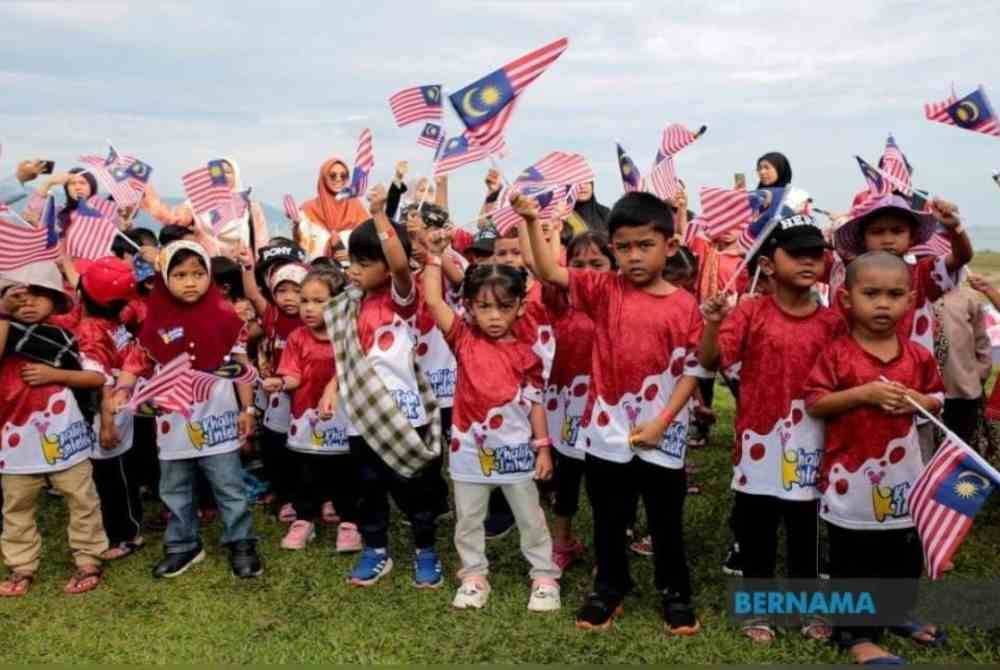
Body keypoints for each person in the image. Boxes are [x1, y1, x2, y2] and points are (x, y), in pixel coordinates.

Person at [519, 191, 706, 635]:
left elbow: (694, 368)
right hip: (607, 431)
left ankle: (675, 592)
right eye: (623, 247)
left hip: (664, 430)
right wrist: (530, 221)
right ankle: (609, 587)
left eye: (645, 245)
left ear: (670, 246)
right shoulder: (602, 289)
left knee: (664, 517)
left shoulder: (684, 305)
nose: (634, 256)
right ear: (612, 250)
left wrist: (664, 420)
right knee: (608, 514)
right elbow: (547, 270)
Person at [700, 214, 845, 644]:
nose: (808, 261)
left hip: (814, 443)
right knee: (757, 528)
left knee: (805, 529)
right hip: (758, 444)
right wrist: (711, 323)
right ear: (767, 263)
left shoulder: (833, 322)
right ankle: (757, 608)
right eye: (796, 253)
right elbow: (710, 361)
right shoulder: (749, 313)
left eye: (815, 254)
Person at [805, 251, 946, 665]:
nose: (883, 303)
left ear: (910, 299)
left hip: (905, 480)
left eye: (894, 294)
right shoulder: (837, 354)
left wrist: (921, 400)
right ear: (847, 299)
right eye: (871, 294)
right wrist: (863, 394)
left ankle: (897, 611)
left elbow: (937, 397)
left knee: (903, 554)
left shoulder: (917, 356)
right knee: (854, 560)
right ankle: (855, 635)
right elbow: (816, 402)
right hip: (851, 482)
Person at [422, 241, 561, 611]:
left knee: (530, 516)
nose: (494, 316)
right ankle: (472, 573)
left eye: (504, 306)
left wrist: (543, 447)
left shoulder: (527, 352)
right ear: (468, 307)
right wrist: (434, 259)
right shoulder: (463, 339)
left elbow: (534, 402)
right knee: (468, 518)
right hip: (468, 451)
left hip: (516, 453)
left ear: (520, 307)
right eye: (483, 307)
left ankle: (544, 575)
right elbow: (434, 302)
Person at [112, 241, 262, 579]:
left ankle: (241, 542)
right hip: (172, 423)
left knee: (229, 485)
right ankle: (183, 545)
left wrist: (248, 409)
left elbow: (241, 365)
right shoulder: (155, 322)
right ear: (165, 279)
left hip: (219, 420)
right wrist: (122, 389)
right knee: (174, 489)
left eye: (198, 273)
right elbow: (135, 362)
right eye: (179, 275)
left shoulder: (226, 317)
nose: (190, 282)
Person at [326, 186, 443, 589]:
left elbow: (398, 263)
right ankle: (375, 548)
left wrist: (379, 215)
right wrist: (330, 391)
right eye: (351, 261)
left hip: (402, 413)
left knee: (412, 487)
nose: (354, 270)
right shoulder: (350, 303)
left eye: (364, 262)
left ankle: (425, 548)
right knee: (367, 487)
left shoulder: (401, 299)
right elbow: (344, 359)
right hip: (360, 414)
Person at [0, 262, 108, 596]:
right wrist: (4, 314)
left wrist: (55, 375)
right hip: (14, 440)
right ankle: (21, 566)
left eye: (37, 296)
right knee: (16, 507)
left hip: (66, 434)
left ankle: (89, 558)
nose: (27, 303)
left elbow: (96, 376)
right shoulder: (5, 333)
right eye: (18, 296)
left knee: (82, 499)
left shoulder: (64, 338)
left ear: (54, 300)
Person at [265, 267, 362, 553]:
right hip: (305, 418)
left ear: (339, 302)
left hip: (344, 419)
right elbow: (293, 375)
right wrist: (280, 382)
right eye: (305, 300)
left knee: (345, 472)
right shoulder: (296, 337)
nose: (308, 308)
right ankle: (304, 519)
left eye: (319, 301)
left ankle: (349, 523)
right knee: (306, 472)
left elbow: (355, 372)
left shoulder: (349, 335)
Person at [544, 232, 616, 571]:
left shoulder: (618, 303)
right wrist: (541, 228)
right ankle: (561, 541)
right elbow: (539, 267)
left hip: (608, 409)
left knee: (609, 487)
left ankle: (611, 548)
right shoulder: (559, 302)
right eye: (578, 265)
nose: (587, 271)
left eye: (597, 264)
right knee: (567, 478)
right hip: (568, 409)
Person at [75, 258, 147, 562]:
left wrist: (105, 423)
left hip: (108, 406)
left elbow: (100, 380)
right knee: (123, 470)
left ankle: (125, 534)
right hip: (127, 395)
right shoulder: (123, 313)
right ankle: (129, 524)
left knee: (110, 476)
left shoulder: (90, 330)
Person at [237, 243, 307, 524]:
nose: (289, 298)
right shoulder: (272, 316)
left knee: (310, 447)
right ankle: (285, 496)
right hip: (278, 394)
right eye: (282, 290)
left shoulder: (311, 317)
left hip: (307, 393)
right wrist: (247, 267)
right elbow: (253, 293)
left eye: (296, 290)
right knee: (278, 448)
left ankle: (321, 496)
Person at [934, 281, 992, 446]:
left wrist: (979, 374)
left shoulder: (967, 298)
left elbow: (981, 341)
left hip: (962, 388)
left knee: (962, 441)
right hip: (924, 394)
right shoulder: (909, 297)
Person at [296, 157, 370, 259]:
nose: (338, 179)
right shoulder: (307, 209)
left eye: (343, 176)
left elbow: (369, 242)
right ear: (324, 177)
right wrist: (296, 227)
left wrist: (353, 255)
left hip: (350, 270)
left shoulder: (356, 206)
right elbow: (302, 245)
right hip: (317, 269)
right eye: (332, 175)